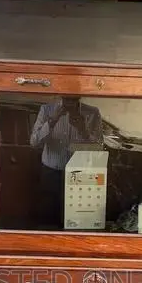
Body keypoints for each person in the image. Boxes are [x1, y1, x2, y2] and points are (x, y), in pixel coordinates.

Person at [30, 97, 103, 228]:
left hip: (80, 176)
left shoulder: (92, 113)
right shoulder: (47, 110)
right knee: (49, 219)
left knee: (77, 221)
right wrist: (52, 121)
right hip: (51, 172)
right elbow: (34, 142)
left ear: (79, 94)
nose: (69, 100)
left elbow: (99, 147)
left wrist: (83, 130)